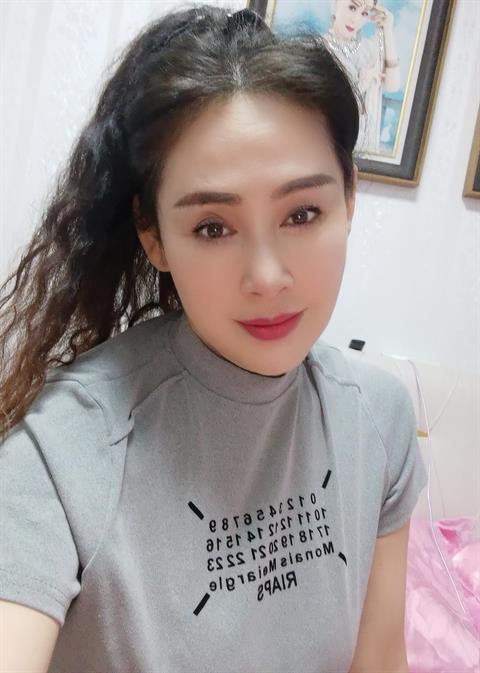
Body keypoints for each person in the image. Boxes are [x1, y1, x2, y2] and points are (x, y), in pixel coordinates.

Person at [0, 4, 427, 672]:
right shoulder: (67, 449)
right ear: (153, 236)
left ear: (349, 196)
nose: (267, 276)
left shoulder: (379, 416)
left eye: (302, 213)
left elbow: (378, 660)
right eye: (212, 227)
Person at [322, 0, 401, 154]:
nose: (356, 19)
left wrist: (387, 30)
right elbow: (327, 108)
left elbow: (392, 86)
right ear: (334, 4)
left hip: (365, 148)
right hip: (332, 148)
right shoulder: (318, 49)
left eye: (364, 13)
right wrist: (363, 82)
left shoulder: (368, 49)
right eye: (352, 7)